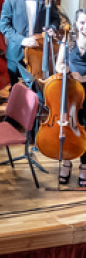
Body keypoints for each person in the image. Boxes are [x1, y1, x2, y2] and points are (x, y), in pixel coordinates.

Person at [0, 0, 61, 85]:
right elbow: (4, 25)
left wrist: (53, 28)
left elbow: (56, 19)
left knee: (36, 87)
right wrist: (22, 40)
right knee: (14, 87)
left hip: (38, 50)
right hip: (16, 50)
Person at [54, 10, 86, 187]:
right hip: (71, 94)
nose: (85, 27)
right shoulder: (68, 41)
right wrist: (64, 69)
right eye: (82, 23)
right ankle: (66, 163)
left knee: (85, 131)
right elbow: (58, 65)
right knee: (68, 129)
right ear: (76, 23)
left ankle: (84, 166)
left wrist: (84, 78)